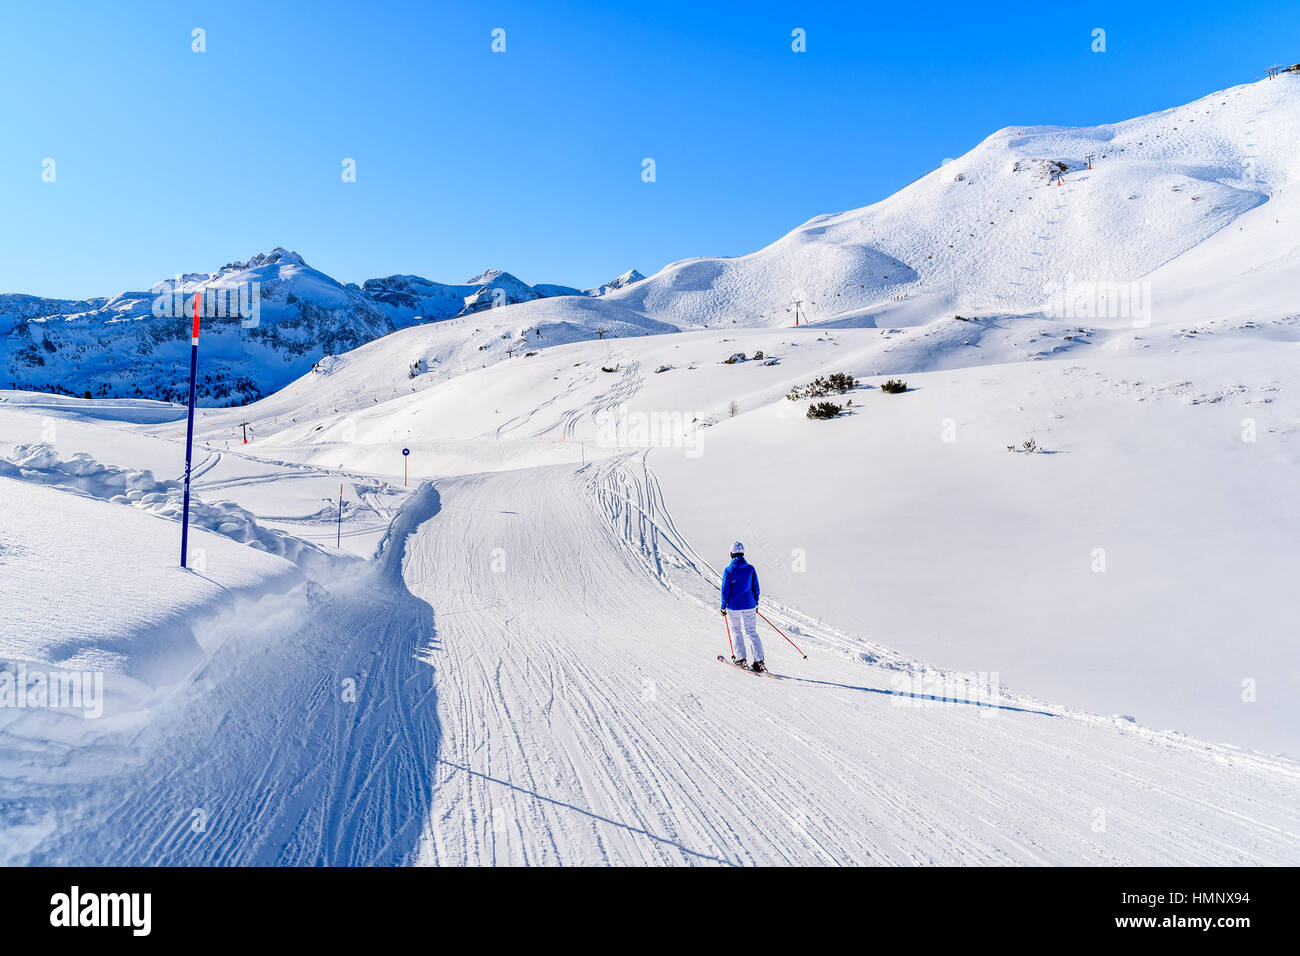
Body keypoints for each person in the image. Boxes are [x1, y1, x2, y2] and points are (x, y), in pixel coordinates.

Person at [720, 541, 765, 672]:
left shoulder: (728, 570)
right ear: (743, 553)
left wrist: (723, 606)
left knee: (736, 631)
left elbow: (725, 590)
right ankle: (759, 662)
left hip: (734, 606)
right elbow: (756, 587)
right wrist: (756, 602)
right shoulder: (750, 568)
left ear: (731, 554)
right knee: (752, 632)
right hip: (750, 604)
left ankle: (741, 659)